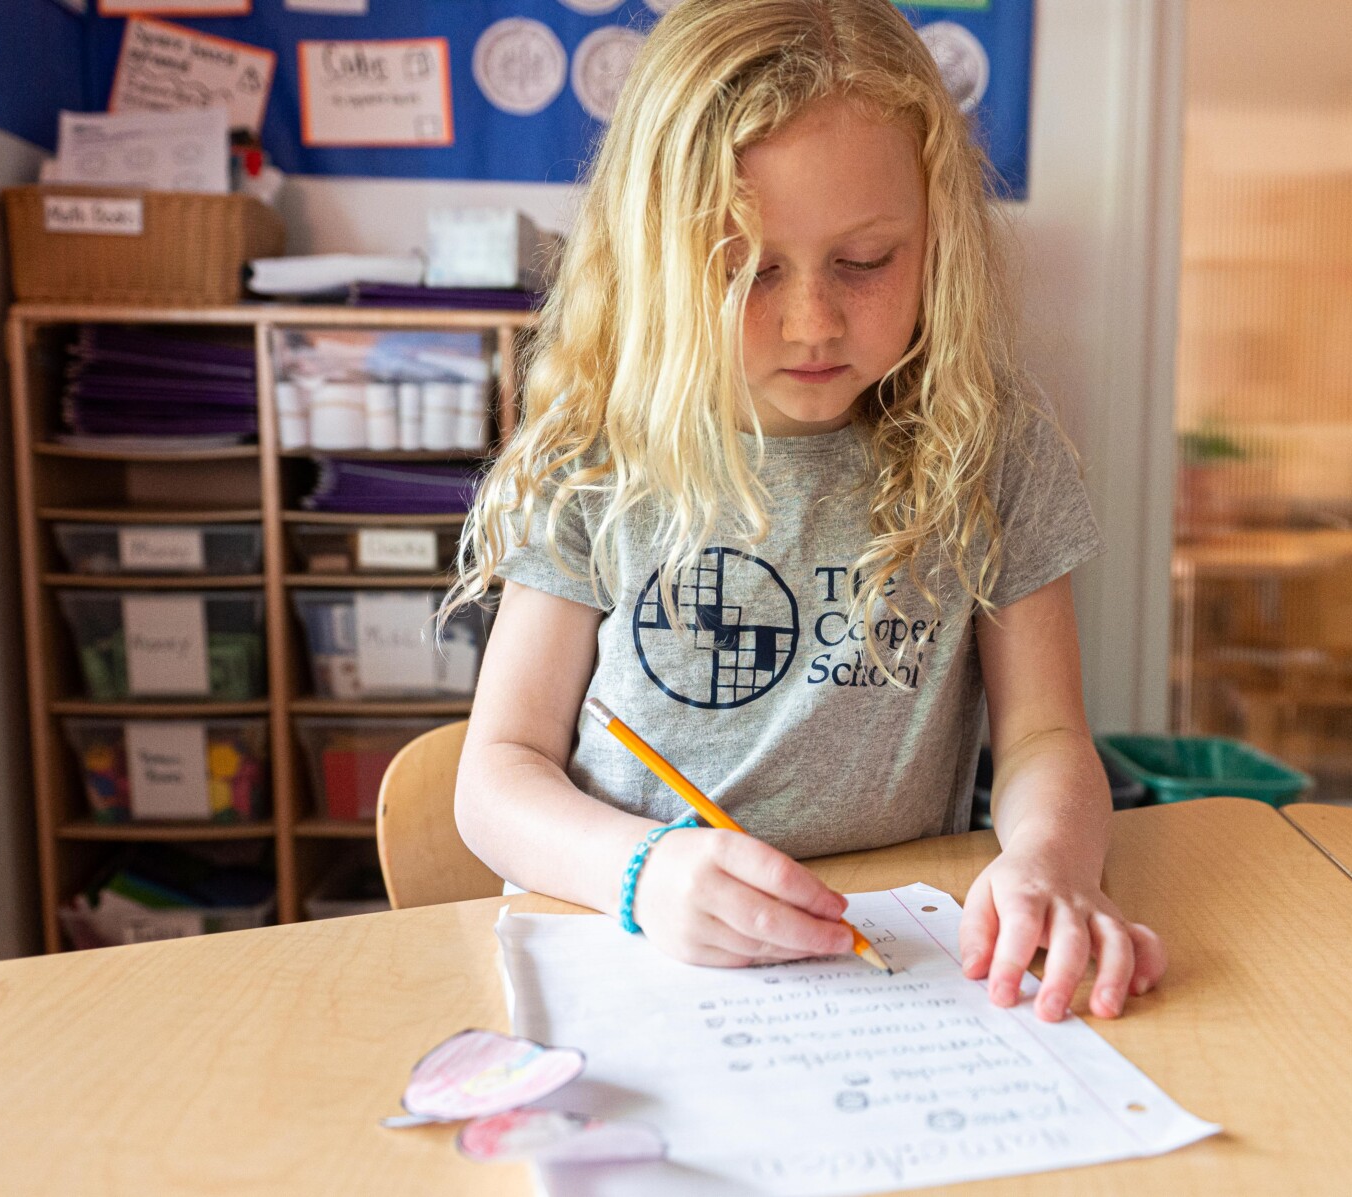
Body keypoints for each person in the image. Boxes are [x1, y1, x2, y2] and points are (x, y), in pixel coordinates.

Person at [445, 0, 1166, 1023]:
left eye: (867, 262)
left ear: (939, 238)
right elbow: (495, 776)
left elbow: (1047, 736)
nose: (813, 320)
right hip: (636, 954)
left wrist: (1050, 862)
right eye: (744, 266)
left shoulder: (988, 448)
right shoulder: (593, 453)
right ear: (653, 254)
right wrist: (645, 873)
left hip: (894, 965)